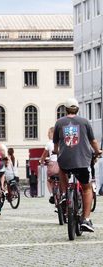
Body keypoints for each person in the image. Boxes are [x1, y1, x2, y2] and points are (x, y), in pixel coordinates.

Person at [53, 98, 102, 232]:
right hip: (82, 160)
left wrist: (56, 151)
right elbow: (93, 141)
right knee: (87, 189)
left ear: (66, 109)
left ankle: (64, 194)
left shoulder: (59, 122)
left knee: (62, 168)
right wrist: (97, 151)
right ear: (78, 109)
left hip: (65, 160)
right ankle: (86, 219)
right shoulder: (85, 122)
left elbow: (56, 145)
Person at [39, 127, 57, 204]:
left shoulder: (49, 143)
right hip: (62, 165)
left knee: (49, 180)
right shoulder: (61, 142)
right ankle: (63, 193)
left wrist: (41, 162)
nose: (47, 135)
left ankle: (52, 194)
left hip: (53, 165)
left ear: (51, 134)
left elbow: (44, 155)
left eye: (48, 133)